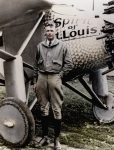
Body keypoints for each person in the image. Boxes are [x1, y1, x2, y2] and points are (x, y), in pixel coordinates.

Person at [33, 20, 73, 150]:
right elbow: (35, 65)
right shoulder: (40, 46)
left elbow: (69, 64)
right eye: (47, 31)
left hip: (55, 77)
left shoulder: (62, 46)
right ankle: (45, 137)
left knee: (56, 109)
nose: (49, 33)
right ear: (45, 32)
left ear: (55, 31)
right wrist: (35, 80)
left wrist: (60, 75)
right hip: (41, 78)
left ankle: (56, 140)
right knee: (43, 108)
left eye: (51, 30)